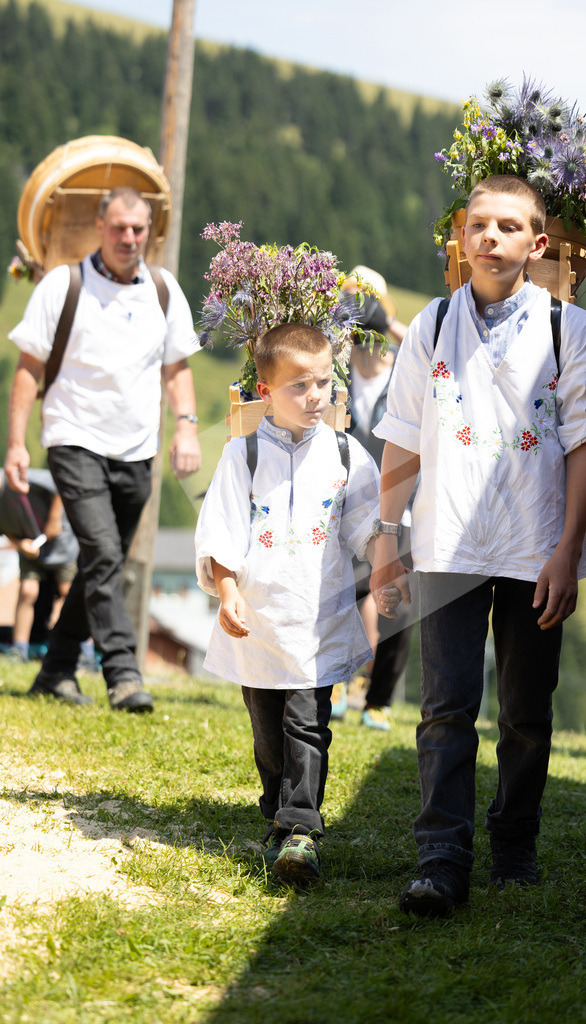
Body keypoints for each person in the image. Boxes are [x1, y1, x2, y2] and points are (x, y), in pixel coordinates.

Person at [370, 174, 586, 917]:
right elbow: (402, 439)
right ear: (459, 237)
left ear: (537, 243)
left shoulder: (567, 330)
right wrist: (386, 539)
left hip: (534, 545)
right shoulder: (430, 323)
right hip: (444, 544)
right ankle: (439, 861)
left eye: (508, 227)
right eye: (478, 225)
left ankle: (513, 847)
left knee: (523, 712)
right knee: (443, 709)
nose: (490, 238)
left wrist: (567, 551)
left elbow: (584, 444)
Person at [195, 322, 382, 885]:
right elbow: (223, 531)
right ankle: (279, 811)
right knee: (268, 730)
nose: (314, 396)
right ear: (265, 389)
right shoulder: (243, 455)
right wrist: (228, 593)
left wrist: (387, 563)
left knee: (308, 723)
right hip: (260, 622)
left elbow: (368, 528)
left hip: (317, 617)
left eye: (323, 382)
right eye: (298, 386)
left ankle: (302, 827)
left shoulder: (346, 454)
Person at [4, 186, 201, 712]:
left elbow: (177, 368)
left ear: (149, 233)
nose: (128, 238)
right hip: (73, 438)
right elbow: (29, 369)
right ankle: (123, 674)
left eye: (137, 230)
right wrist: (16, 444)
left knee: (99, 564)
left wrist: (185, 427)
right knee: (106, 552)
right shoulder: (63, 285)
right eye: (118, 228)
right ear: (99, 227)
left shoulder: (162, 290)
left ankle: (56, 670)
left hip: (137, 450)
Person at [331, 267, 412, 730]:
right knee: (341, 590)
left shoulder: (406, 364)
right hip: (344, 498)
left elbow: (434, 354)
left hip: (399, 499)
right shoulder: (336, 367)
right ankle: (340, 682)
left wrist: (384, 321)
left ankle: (378, 701)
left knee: (398, 597)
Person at [0, 467, 78, 661]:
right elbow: (4, 530)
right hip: (30, 545)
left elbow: (60, 484)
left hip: (62, 541)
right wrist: (20, 544)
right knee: (28, 590)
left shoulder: (15, 478)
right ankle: (19, 651)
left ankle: (82, 650)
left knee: (68, 591)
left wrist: (54, 518)